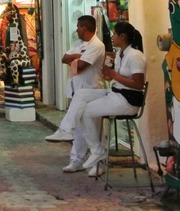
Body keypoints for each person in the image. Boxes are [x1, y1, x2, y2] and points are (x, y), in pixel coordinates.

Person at [49, 22, 145, 177]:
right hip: (115, 92)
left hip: (126, 100)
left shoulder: (134, 56)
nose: (112, 37)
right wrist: (110, 74)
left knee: (85, 112)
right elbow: (66, 59)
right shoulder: (120, 54)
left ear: (122, 36)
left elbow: (138, 83)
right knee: (80, 97)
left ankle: (97, 151)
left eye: (114, 34)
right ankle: (65, 129)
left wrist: (114, 76)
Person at [44, 15, 106, 174]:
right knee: (80, 127)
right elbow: (65, 58)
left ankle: (96, 164)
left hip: (91, 89)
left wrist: (77, 59)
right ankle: (76, 159)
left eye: (78, 26)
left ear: (84, 27)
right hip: (76, 90)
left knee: (92, 127)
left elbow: (83, 66)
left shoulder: (97, 45)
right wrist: (77, 57)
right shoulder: (78, 44)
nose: (76, 29)